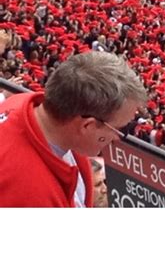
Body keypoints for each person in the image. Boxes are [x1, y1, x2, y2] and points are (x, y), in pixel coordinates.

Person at [0, 52, 148, 207]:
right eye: (119, 129)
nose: (118, 138)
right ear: (87, 126)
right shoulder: (31, 194)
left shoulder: (21, 102)